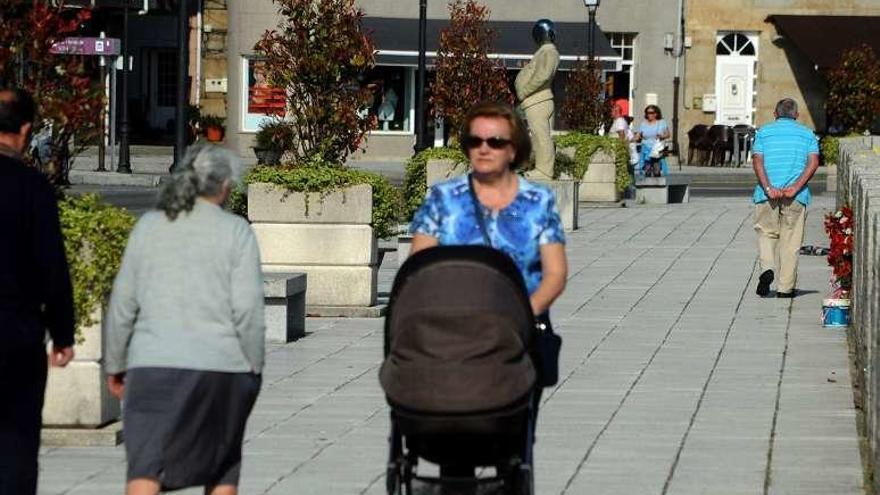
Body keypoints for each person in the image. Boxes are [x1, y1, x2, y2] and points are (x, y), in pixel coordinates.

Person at [410, 102, 568, 475]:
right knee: (455, 439)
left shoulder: (537, 202)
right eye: (475, 140)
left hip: (517, 332)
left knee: (511, 438)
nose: (484, 148)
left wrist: (522, 314)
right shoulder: (443, 199)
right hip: (453, 331)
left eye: (495, 141)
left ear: (513, 149)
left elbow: (555, 274)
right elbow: (419, 266)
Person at [104, 144, 266, 495]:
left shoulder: (148, 226)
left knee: (146, 465)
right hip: (222, 369)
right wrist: (253, 366)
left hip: (152, 366)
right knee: (222, 466)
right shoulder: (236, 231)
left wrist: (115, 364)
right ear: (225, 186)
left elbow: (122, 306)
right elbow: (248, 311)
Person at [0, 88, 75, 495]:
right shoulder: (32, 187)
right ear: (26, 130)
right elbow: (52, 266)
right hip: (17, 331)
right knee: (16, 439)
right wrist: (62, 332)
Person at [751, 98, 819, 298]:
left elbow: (757, 161)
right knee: (791, 241)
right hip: (796, 196)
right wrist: (795, 187)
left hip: (766, 195)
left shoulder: (763, 132)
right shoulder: (808, 134)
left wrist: (768, 188)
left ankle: (767, 269)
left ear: (775, 113)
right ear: (796, 115)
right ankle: (785, 288)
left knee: (765, 233)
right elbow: (813, 163)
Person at [515, 18, 560, 180]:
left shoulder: (548, 51)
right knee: (541, 136)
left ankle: (544, 171)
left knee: (541, 136)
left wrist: (524, 91)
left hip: (538, 100)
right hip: (537, 100)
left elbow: (543, 74)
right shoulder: (544, 52)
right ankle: (542, 168)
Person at [635, 104, 670, 177]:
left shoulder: (661, 122)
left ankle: (658, 186)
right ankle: (647, 186)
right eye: (647, 113)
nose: (649, 114)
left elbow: (668, 134)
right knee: (647, 171)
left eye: (651, 113)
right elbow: (638, 135)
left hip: (656, 150)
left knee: (656, 170)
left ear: (656, 114)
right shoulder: (643, 124)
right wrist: (632, 139)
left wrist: (662, 136)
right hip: (646, 149)